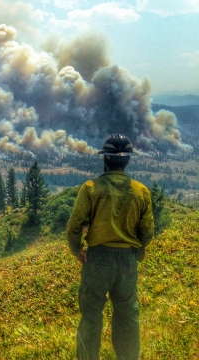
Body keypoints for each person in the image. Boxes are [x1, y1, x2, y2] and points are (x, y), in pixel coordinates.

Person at [66, 134, 154, 360]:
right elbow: (147, 232)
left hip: (97, 261)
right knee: (127, 317)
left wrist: (78, 251)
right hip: (126, 262)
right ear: (128, 161)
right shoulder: (141, 191)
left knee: (91, 317)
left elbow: (74, 226)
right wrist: (139, 251)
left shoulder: (91, 188)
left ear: (105, 159)